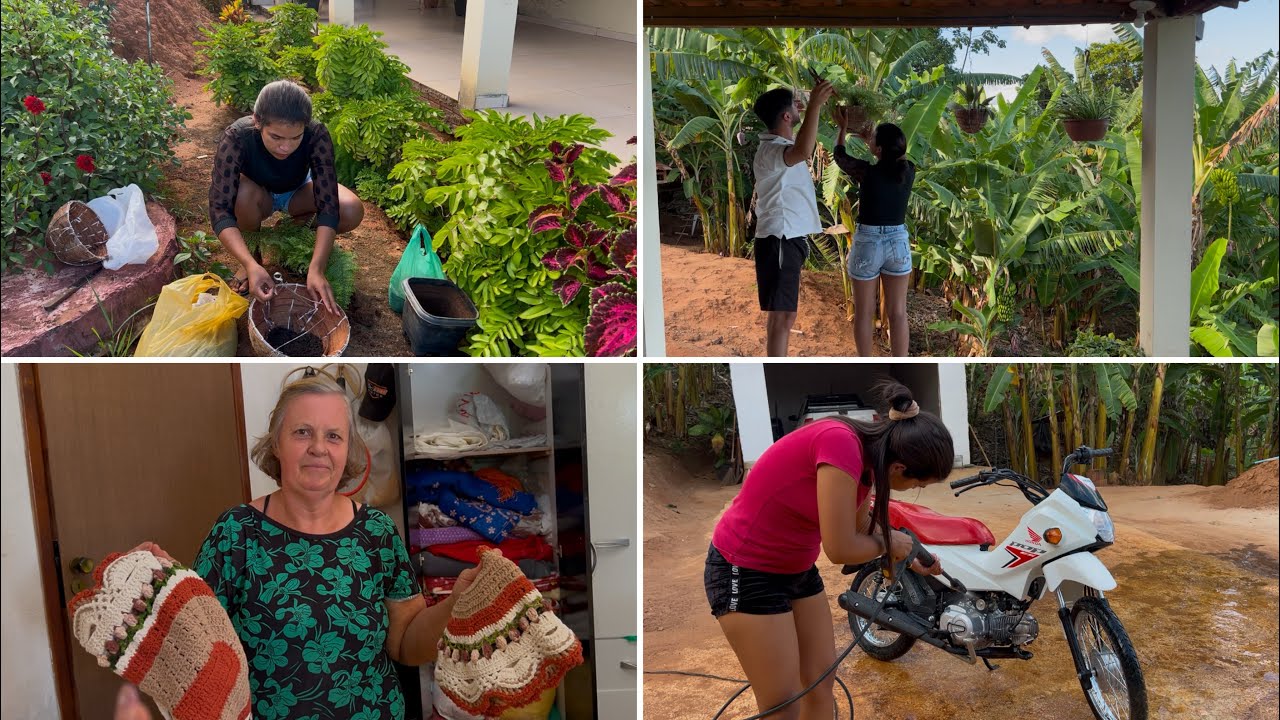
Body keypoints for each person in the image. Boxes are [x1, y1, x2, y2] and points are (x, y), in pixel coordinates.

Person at [134, 373, 476, 719]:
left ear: (347, 449)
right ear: (276, 445)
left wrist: (456, 605)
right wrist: (168, 594)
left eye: (333, 436)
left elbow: (405, 644)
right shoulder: (236, 533)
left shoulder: (377, 533)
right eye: (302, 432)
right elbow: (200, 649)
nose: (319, 447)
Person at [703, 381, 952, 719]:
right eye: (919, 484)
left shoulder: (867, 461)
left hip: (796, 569)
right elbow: (840, 547)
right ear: (899, 468)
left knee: (820, 683)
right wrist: (891, 543)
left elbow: (862, 527)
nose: (916, 490)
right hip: (745, 570)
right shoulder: (841, 444)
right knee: (783, 702)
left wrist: (909, 554)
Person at [208, 79, 365, 314]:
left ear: (305, 127)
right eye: (276, 137)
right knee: (242, 196)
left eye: (295, 138)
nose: (286, 147)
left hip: (298, 190)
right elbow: (219, 209)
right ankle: (253, 257)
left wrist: (317, 268)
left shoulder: (316, 134)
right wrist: (249, 264)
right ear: (257, 121)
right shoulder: (237, 138)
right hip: (257, 195)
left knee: (351, 209)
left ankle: (291, 227)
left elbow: (328, 204)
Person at [750, 78, 834, 356]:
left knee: (784, 317)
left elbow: (801, 147)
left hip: (786, 239)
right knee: (781, 319)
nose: (799, 108)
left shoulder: (777, 148)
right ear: (787, 116)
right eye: (794, 107)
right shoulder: (772, 151)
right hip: (779, 239)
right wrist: (815, 107)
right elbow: (803, 150)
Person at [830, 110, 917, 357]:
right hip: (897, 242)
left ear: (878, 150)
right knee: (898, 313)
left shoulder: (867, 172)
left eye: (873, 141)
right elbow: (895, 155)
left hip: (868, 242)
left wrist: (843, 129)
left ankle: (865, 365)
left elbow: (840, 156)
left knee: (864, 313)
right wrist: (874, 142)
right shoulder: (909, 170)